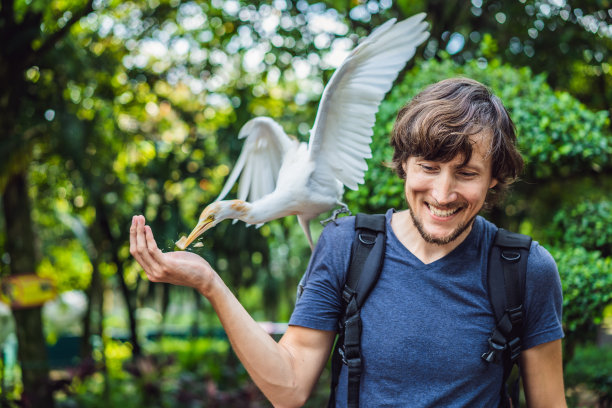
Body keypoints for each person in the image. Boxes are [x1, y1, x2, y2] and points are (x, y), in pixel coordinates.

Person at [130, 77, 566, 407]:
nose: (442, 193)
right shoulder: (346, 246)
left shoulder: (525, 270)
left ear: (494, 179)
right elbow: (289, 387)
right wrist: (210, 283)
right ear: (403, 164)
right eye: (428, 167)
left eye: (467, 174)